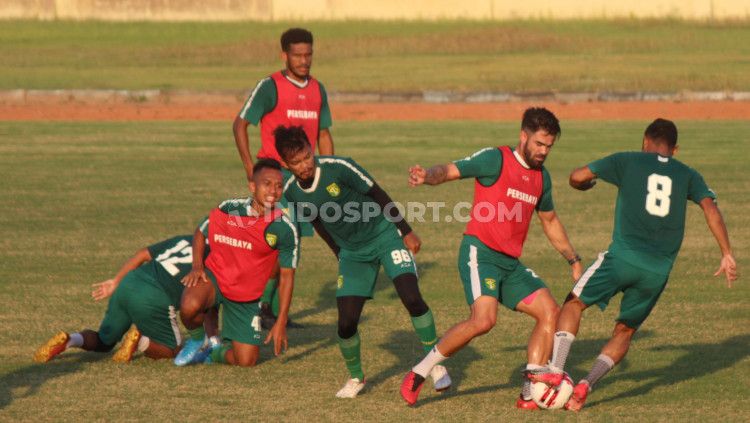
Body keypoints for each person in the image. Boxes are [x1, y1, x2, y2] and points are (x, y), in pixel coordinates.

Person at [546, 118, 738, 411]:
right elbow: (710, 207)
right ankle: (586, 385)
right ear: (675, 148)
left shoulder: (627, 159)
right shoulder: (688, 173)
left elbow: (576, 176)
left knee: (573, 304)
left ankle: (556, 372)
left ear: (645, 141)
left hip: (621, 258)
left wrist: (586, 185)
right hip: (657, 271)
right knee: (625, 331)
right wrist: (726, 253)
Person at [399, 107, 583, 409]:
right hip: (479, 252)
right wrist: (426, 176)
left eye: (549, 146)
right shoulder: (495, 159)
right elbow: (450, 170)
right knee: (484, 320)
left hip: (510, 264)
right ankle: (420, 372)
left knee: (550, 310)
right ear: (523, 136)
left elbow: (549, 220)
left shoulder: (541, 178)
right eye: (539, 143)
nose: (543, 151)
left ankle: (529, 391)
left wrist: (573, 259)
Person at [275, 125, 451, 398]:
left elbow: (377, 194)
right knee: (346, 323)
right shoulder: (292, 192)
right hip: (352, 254)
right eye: (297, 162)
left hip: (384, 235)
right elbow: (318, 223)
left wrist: (405, 230)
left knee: (411, 297)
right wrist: (339, 253)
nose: (305, 165)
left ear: (312, 150)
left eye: (308, 156)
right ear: (286, 165)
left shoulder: (339, 166)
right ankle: (356, 377)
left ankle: (435, 363)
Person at [233, 27, 334, 327]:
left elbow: (324, 134)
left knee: (290, 246)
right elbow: (240, 125)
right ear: (284, 55)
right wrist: (251, 168)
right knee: (274, 245)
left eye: (309, 54)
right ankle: (260, 305)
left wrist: (326, 171)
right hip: (274, 181)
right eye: (298, 55)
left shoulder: (318, 89)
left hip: (303, 180)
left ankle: (270, 311)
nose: (304, 61)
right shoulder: (270, 86)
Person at [175, 159, 300, 367]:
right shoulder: (229, 208)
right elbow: (200, 231)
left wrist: (281, 321)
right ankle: (198, 340)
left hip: (246, 296)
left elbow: (287, 276)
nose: (273, 191)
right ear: (252, 186)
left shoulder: (284, 228)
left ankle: (213, 353)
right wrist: (197, 266)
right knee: (188, 306)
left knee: (246, 361)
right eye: (266, 184)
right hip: (215, 279)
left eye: (279, 185)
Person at [33, 234, 215, 363]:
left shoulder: (185, 239)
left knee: (104, 342)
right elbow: (207, 303)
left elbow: (143, 253)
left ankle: (70, 339)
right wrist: (212, 338)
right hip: (153, 296)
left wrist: (116, 281)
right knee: (174, 350)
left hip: (129, 282)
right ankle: (140, 340)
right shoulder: (215, 259)